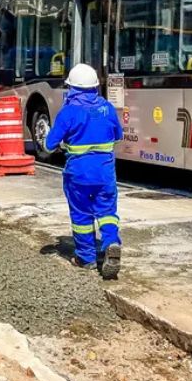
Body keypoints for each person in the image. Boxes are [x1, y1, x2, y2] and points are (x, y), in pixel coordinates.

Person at [44, 63, 124, 279]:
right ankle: (111, 242)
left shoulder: (69, 112)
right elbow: (118, 135)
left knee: (81, 215)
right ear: (95, 87)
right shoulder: (107, 107)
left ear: (71, 88)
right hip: (105, 173)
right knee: (107, 213)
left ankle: (86, 258)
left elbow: (49, 144)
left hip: (78, 174)